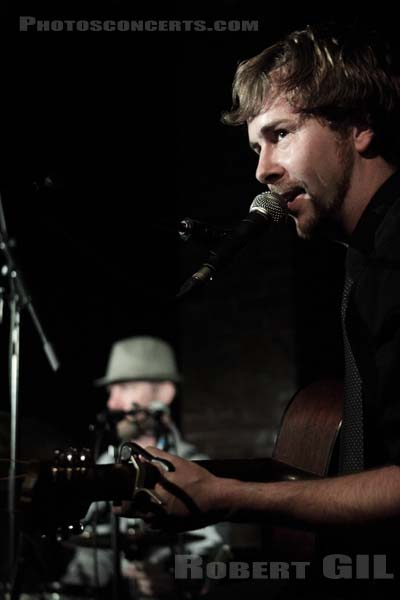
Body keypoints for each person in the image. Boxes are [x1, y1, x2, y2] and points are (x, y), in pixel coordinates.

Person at [116, 23, 400, 598]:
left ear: (360, 125)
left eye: (282, 135)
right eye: (255, 146)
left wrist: (230, 498)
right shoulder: (366, 258)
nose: (262, 170)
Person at [62, 336, 225, 598]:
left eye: (124, 387)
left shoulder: (196, 467)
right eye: (110, 392)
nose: (112, 403)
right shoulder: (104, 464)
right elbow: (82, 549)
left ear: (164, 393)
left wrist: (176, 581)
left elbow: (216, 559)